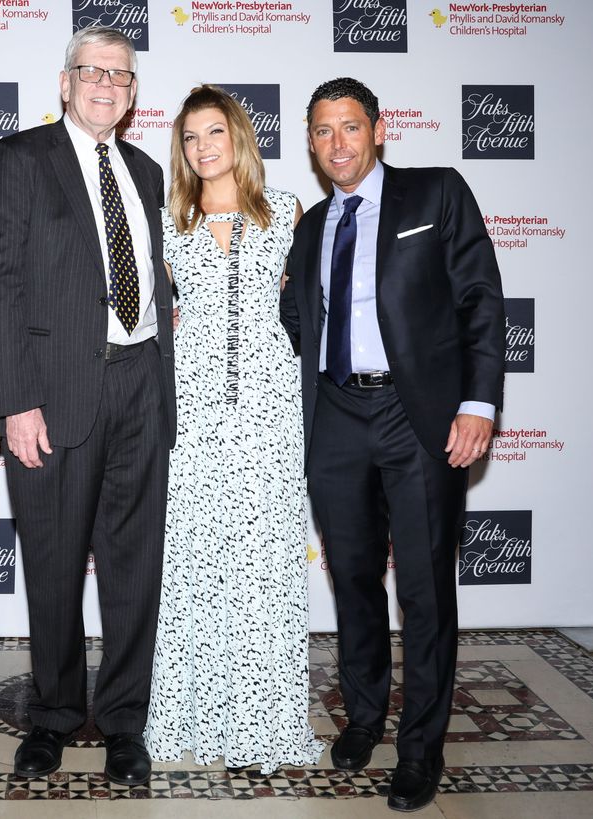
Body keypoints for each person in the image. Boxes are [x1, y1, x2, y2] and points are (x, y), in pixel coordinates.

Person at [279, 77, 505, 812]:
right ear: (310, 142)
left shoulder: (436, 195)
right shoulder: (311, 226)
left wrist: (477, 402)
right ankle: (365, 716)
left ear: (379, 130)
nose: (336, 142)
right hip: (336, 415)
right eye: (321, 130)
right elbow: (297, 317)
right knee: (351, 578)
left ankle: (420, 746)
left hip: (422, 418)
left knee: (425, 589)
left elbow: (481, 300)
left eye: (349, 126)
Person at [0, 26, 176, 787]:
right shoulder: (22, 159)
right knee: (54, 565)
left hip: (139, 387)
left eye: (121, 77)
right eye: (93, 72)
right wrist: (18, 401)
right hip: (52, 396)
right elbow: (0, 284)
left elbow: (144, 273)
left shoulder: (148, 170)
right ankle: (55, 714)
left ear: (132, 93)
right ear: (65, 83)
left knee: (132, 568)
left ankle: (125, 719)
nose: (107, 85)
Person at [143, 85, 324, 773]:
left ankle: (261, 716)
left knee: (263, 562)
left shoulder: (287, 212)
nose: (202, 147)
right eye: (190, 137)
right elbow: (150, 308)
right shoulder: (169, 221)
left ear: (239, 136)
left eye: (213, 132)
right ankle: (194, 710)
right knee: (196, 558)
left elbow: (306, 309)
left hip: (271, 411)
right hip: (189, 409)